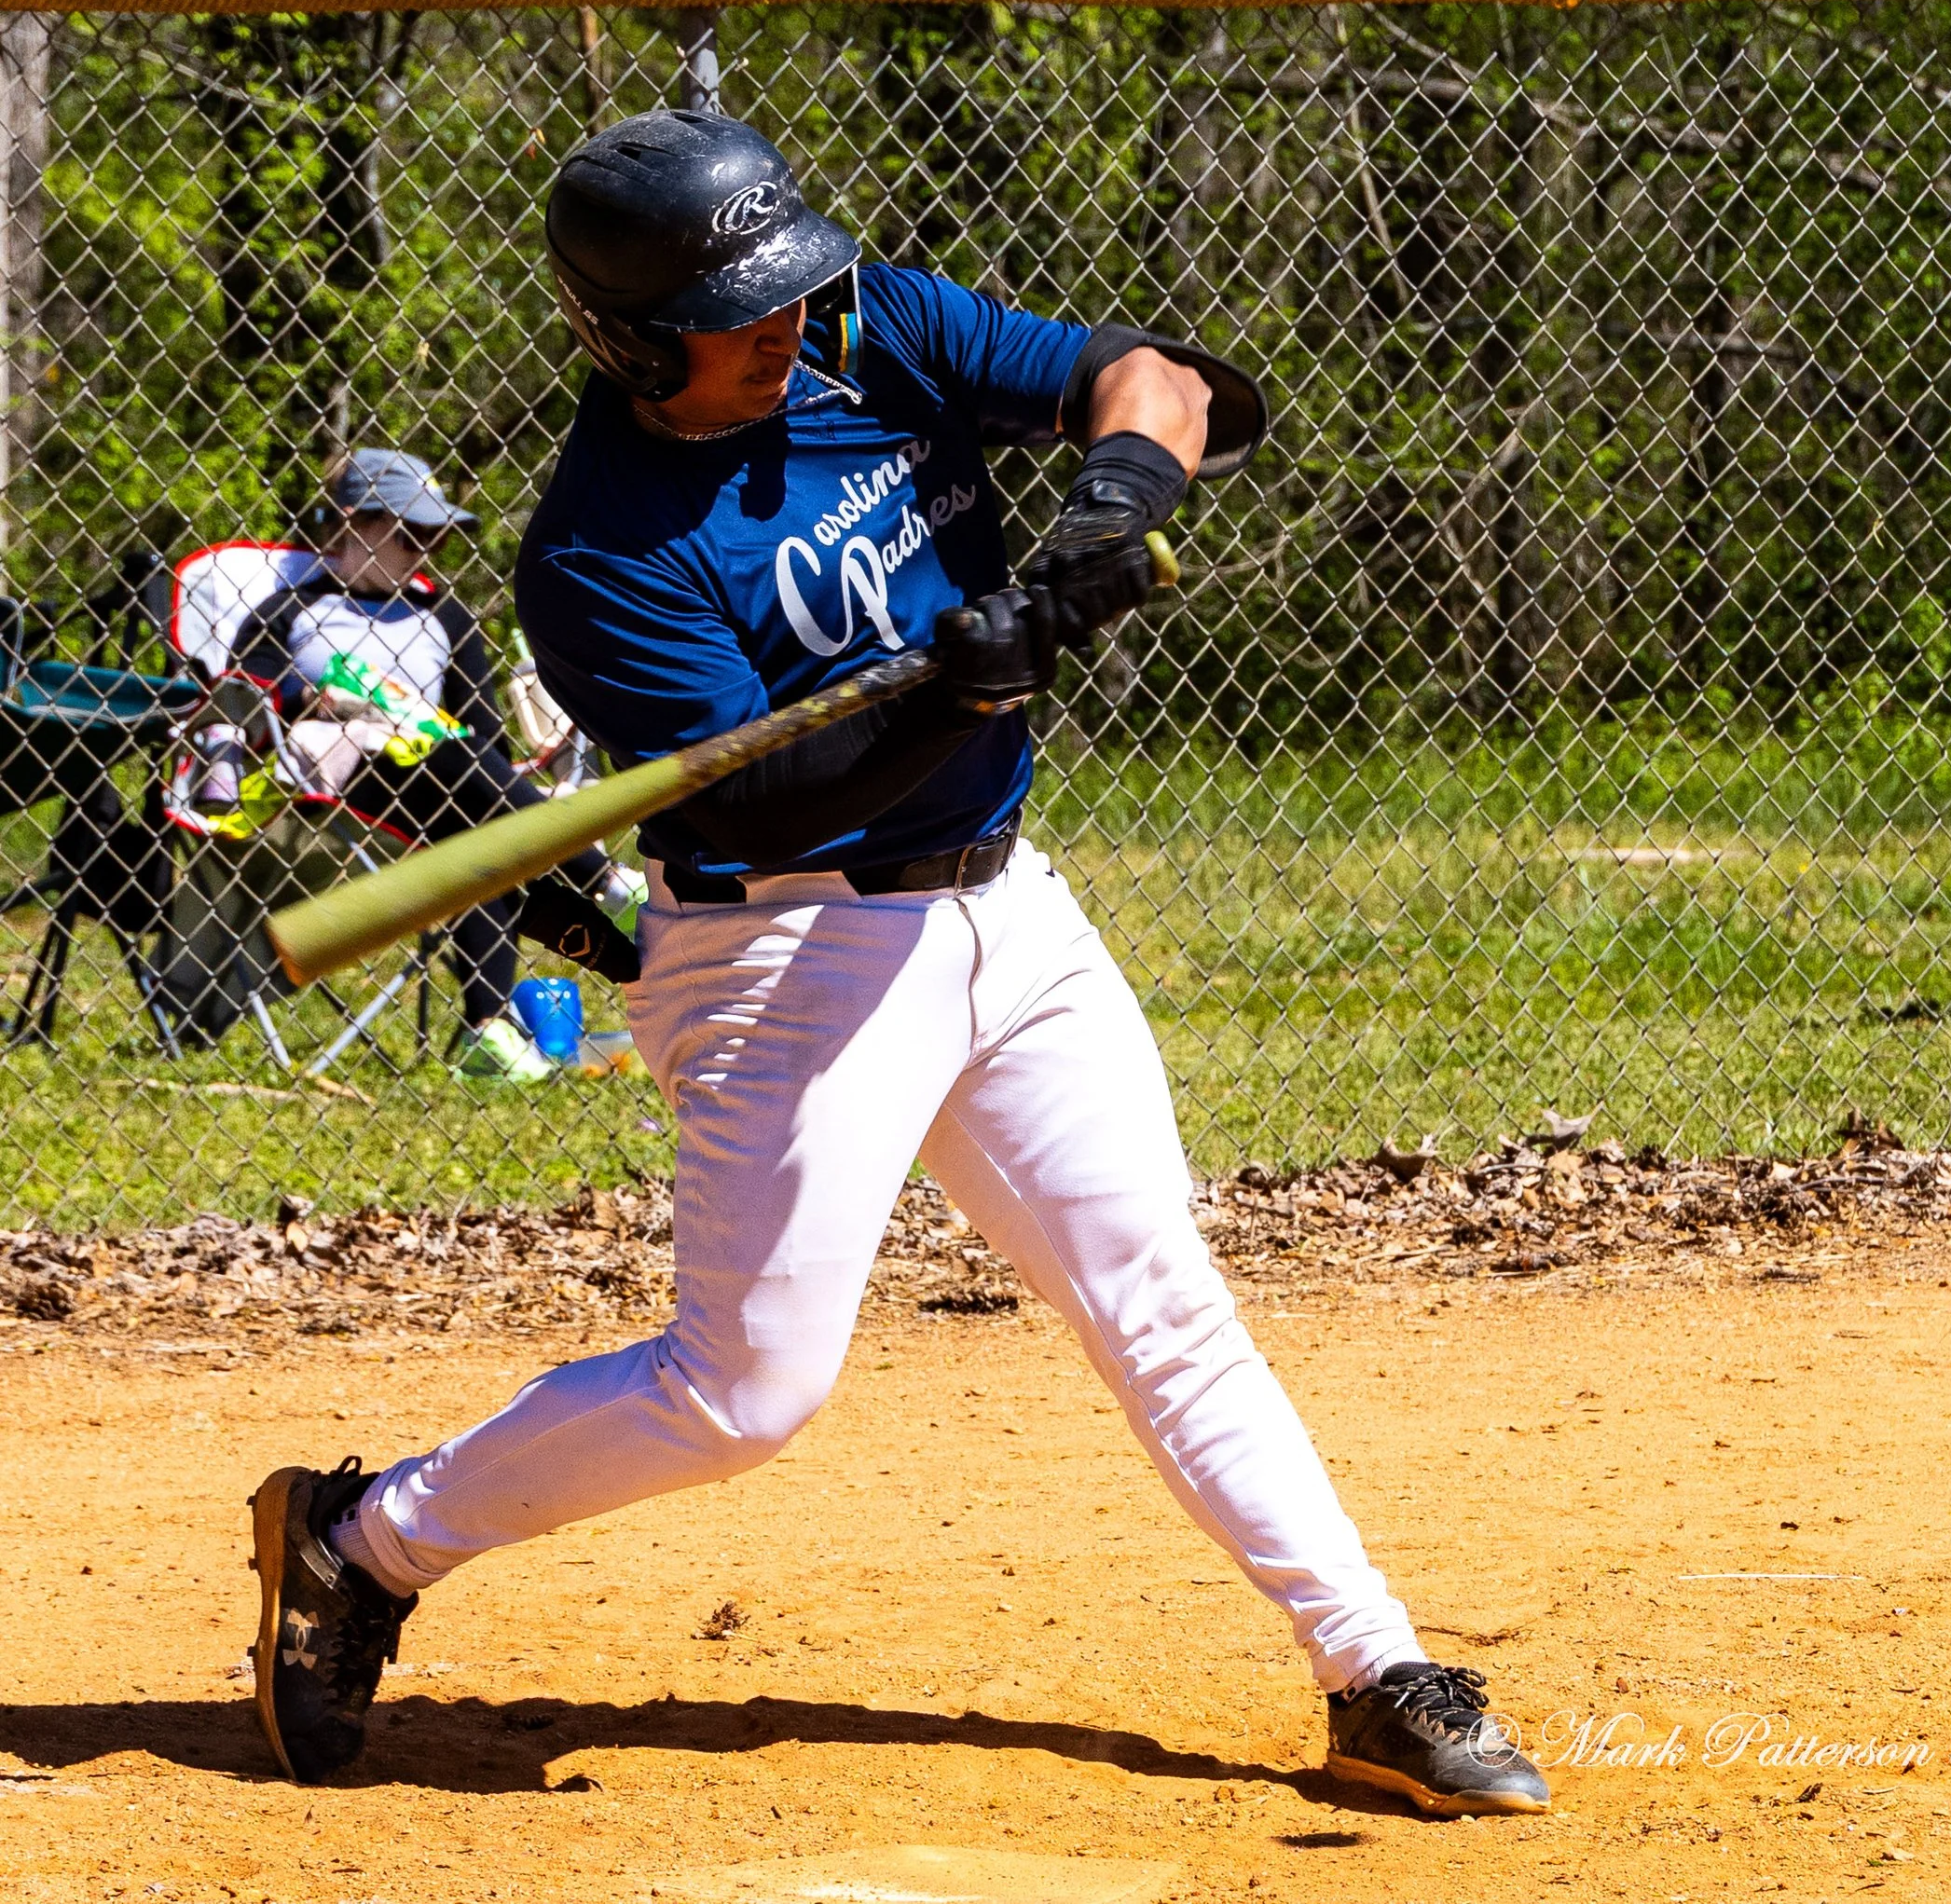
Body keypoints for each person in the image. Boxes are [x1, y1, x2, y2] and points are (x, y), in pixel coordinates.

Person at [245, 109, 1548, 1818]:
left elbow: (1161, 381)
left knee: (1159, 1296)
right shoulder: (599, 550)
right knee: (744, 1393)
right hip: (782, 946)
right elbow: (773, 799)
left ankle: (1372, 1666)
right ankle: (359, 1541)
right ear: (633, 340)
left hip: (1008, 908)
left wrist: (1103, 516)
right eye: (738, 313)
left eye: (790, 287)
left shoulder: (871, 322)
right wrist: (964, 686)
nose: (785, 323)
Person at [226, 447, 643, 1081]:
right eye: (410, 533)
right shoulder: (289, 610)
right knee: (462, 776)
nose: (426, 549)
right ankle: (607, 881)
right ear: (352, 523)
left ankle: (486, 1030)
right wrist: (316, 697)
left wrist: (420, 720)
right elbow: (246, 702)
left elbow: (485, 737)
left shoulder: (444, 616)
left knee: (481, 821)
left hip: (440, 789)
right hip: (336, 791)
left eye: (436, 536)